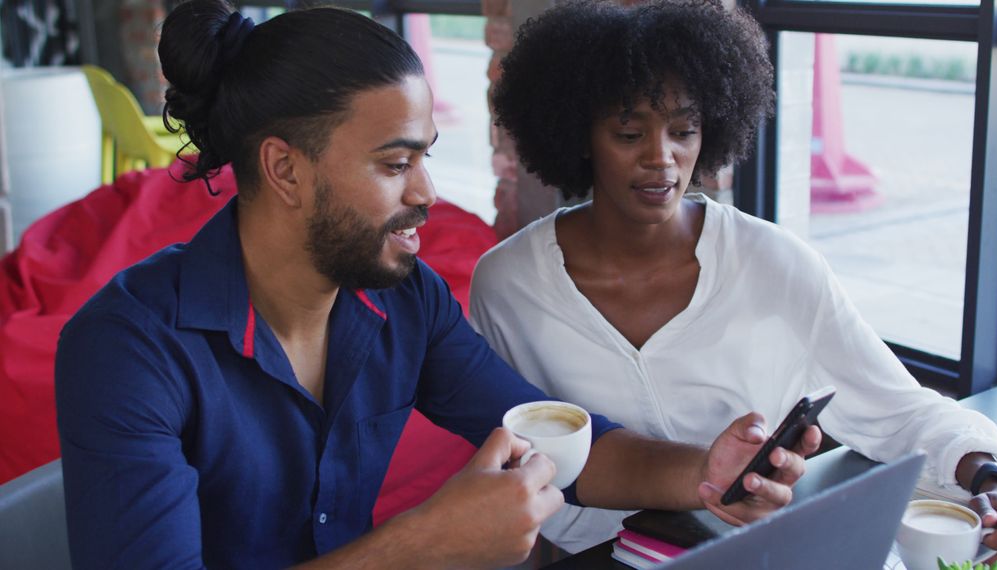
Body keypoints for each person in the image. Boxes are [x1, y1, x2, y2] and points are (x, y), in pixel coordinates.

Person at [52, 2, 822, 568]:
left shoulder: (401, 299)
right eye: (394, 164)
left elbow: (556, 439)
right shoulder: (126, 351)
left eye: (426, 155)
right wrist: (423, 545)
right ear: (285, 168)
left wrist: (706, 473)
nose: (426, 191)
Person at [471, 0, 997, 567]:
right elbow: (510, 464)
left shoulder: (775, 264)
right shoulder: (509, 285)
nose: (662, 159)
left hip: (757, 552)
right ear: (577, 135)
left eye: (684, 131)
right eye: (628, 134)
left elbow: (904, 413)